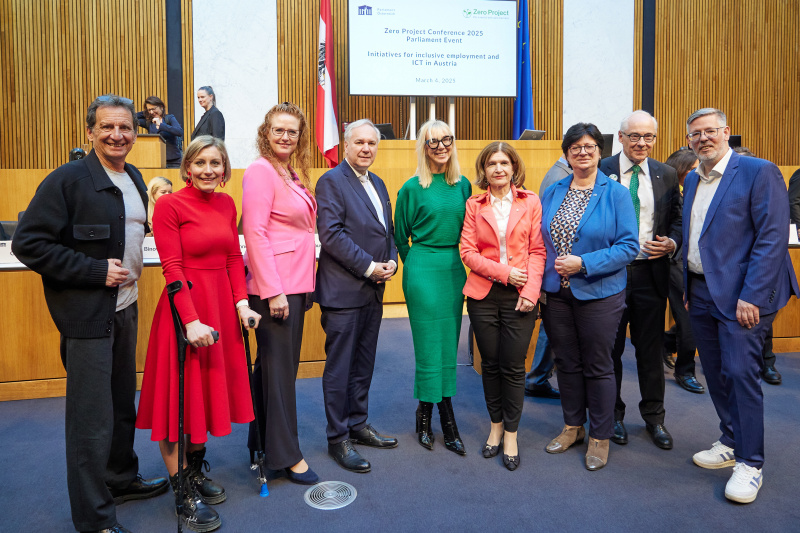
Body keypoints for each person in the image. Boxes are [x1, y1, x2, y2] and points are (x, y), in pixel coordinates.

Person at [12, 94, 168, 533]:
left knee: (121, 407)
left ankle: (119, 479)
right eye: (107, 128)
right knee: (90, 421)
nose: (117, 135)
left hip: (125, 309)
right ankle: (94, 519)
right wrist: (94, 270)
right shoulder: (67, 181)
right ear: (90, 132)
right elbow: (30, 245)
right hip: (87, 318)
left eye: (125, 128)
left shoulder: (133, 175)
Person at [136, 136, 261, 530]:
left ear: (224, 168)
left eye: (216, 163)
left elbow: (231, 257)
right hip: (184, 313)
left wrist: (241, 303)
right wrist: (189, 321)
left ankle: (193, 470)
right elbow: (171, 267)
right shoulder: (170, 205)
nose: (209, 170)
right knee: (178, 402)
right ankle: (181, 488)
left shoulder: (226, 203)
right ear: (187, 167)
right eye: (200, 163)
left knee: (204, 394)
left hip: (222, 309)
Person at [683, 108, 797, 503]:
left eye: (710, 131)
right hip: (700, 292)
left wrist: (752, 295)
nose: (702, 139)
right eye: (695, 134)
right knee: (715, 371)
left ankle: (750, 463)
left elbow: (771, 238)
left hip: (742, 296)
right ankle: (730, 438)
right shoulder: (693, 178)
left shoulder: (758, 171)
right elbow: (698, 235)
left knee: (740, 373)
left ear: (727, 132)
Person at [540, 123, 639, 471]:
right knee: (566, 363)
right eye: (575, 147)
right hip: (556, 294)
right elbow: (541, 242)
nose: (583, 152)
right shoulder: (552, 192)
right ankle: (572, 427)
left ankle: (600, 435)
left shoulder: (616, 194)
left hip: (599, 293)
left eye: (590, 146)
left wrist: (584, 263)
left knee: (598, 365)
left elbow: (629, 246)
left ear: (600, 151)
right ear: (566, 153)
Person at [241, 103, 319, 484]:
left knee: (271, 370)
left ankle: (261, 443)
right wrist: (273, 292)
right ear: (265, 133)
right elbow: (254, 233)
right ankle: (286, 456)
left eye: (292, 131)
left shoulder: (288, 172)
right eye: (278, 130)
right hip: (277, 289)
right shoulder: (260, 171)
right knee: (279, 373)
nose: (286, 137)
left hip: (295, 283)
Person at [316, 119, 399, 473]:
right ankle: (338, 438)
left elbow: (387, 231)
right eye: (360, 142)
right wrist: (369, 266)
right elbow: (331, 235)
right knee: (340, 368)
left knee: (363, 364)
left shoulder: (378, 183)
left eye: (372, 143)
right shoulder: (331, 181)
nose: (366, 148)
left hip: (373, 291)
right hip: (344, 291)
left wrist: (393, 260)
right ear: (346, 145)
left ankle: (358, 424)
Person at [599, 110, 682, 451]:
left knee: (650, 351)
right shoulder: (602, 169)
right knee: (611, 350)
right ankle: (612, 416)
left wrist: (673, 242)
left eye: (648, 137)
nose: (642, 143)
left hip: (650, 273)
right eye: (635, 136)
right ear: (620, 137)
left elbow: (677, 218)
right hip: (611, 274)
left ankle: (654, 418)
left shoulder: (666, 173)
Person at [461, 142, 546, 471]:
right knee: (491, 365)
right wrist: (506, 273)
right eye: (491, 163)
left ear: (514, 168)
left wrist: (530, 290)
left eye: (504, 163)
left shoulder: (531, 202)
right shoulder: (473, 204)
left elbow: (538, 251)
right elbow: (468, 252)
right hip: (483, 295)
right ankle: (495, 427)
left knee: (513, 366)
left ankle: (511, 433)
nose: (498, 168)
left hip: (520, 296)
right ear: (484, 170)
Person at [394, 119, 471, 454]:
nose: (441, 147)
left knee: (447, 345)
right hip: (423, 268)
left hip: (454, 269)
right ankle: (443, 417)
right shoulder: (412, 187)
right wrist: (415, 264)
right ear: (423, 147)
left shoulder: (463, 185)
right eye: (432, 142)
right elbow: (400, 236)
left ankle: (425, 412)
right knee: (428, 346)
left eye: (446, 140)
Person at [524, 155, 572, 400]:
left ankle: (538, 377)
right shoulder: (562, 177)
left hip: (557, 265)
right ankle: (537, 377)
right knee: (551, 326)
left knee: (550, 325)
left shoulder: (559, 170)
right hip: (557, 265)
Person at [733, 146, 782, 386]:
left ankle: (768, 363)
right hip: (733, 273)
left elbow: (772, 237)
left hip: (765, 271)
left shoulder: (766, 177)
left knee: (762, 320)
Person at [661, 148, 705, 394]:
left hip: (697, 263)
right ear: (681, 170)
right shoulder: (670, 195)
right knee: (689, 318)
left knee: (694, 317)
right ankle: (685, 370)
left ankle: (666, 344)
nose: (698, 171)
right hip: (674, 262)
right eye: (693, 168)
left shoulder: (698, 191)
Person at [135, 96, 184, 167]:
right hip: (156, 160)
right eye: (149, 110)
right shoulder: (149, 122)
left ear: (161, 107)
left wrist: (161, 125)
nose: (151, 112)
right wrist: (146, 112)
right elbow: (133, 117)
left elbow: (179, 132)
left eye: (153, 109)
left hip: (174, 162)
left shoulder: (169, 118)